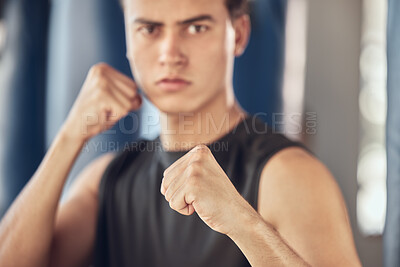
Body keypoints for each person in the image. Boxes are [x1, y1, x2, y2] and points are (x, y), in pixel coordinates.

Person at [0, 0, 362, 266]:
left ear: (238, 35)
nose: (170, 53)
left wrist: (243, 223)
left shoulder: (288, 174)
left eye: (196, 27)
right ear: (127, 38)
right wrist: (70, 137)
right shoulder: (109, 179)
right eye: (150, 29)